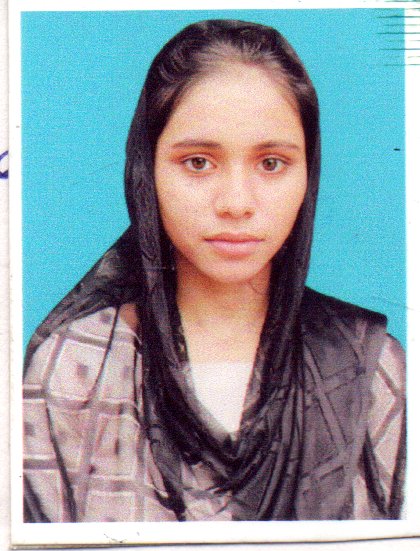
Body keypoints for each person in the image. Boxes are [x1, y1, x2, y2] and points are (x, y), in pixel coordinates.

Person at [22, 19, 405, 523]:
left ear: (308, 172)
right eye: (199, 162)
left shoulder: (372, 371)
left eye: (271, 163)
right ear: (146, 171)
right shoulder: (75, 370)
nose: (236, 203)